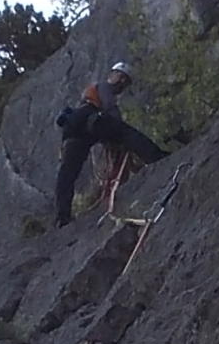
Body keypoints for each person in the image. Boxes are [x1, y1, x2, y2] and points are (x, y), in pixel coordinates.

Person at [55, 63, 166, 227]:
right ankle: (158, 158)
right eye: (121, 78)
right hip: (90, 121)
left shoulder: (88, 96)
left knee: (67, 173)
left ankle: (62, 216)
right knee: (126, 133)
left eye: (125, 81)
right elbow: (110, 108)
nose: (122, 83)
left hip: (75, 130)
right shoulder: (103, 87)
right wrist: (117, 128)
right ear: (113, 75)